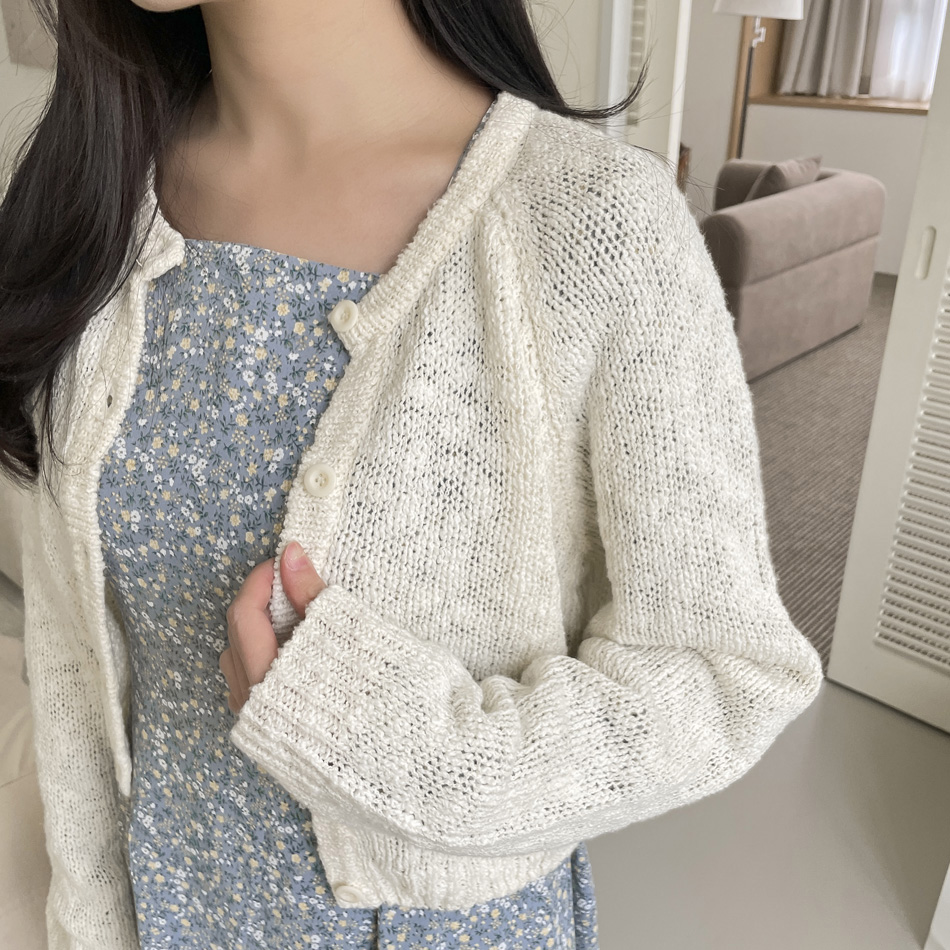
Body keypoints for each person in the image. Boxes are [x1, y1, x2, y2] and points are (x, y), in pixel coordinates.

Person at [0, 1, 825, 948]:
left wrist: (399, 749)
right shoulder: (93, 200)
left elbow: (727, 671)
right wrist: (88, 919)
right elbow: (70, 657)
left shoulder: (595, 222)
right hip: (167, 915)